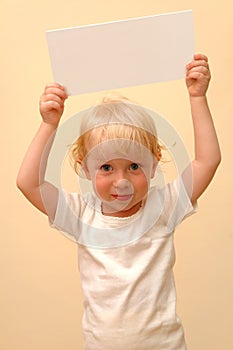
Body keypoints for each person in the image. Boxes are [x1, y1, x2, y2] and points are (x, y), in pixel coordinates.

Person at [17, 54, 221, 350]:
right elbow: (28, 182)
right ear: (84, 167)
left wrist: (197, 97)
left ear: (154, 164)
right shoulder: (80, 214)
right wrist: (49, 124)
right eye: (107, 167)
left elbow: (207, 160)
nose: (121, 181)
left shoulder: (164, 206)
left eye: (134, 167)